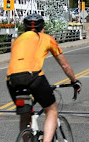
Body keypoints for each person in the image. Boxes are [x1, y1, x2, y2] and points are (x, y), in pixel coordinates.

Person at [6, 13, 81, 142]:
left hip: (12, 80)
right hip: (33, 77)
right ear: (42, 28)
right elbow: (65, 65)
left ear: (24, 28)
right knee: (51, 110)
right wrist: (74, 81)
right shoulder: (46, 38)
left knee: (25, 116)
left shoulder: (16, 41)